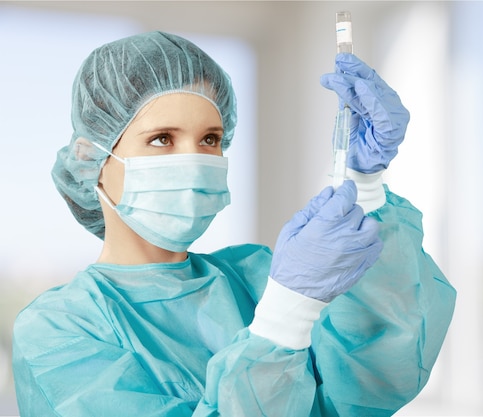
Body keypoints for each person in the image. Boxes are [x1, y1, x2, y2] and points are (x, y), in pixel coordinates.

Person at [12, 31, 456, 417]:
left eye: (210, 139)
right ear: (92, 159)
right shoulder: (59, 330)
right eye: (162, 139)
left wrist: (365, 184)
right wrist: (285, 318)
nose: (193, 160)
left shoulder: (256, 276)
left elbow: (377, 373)